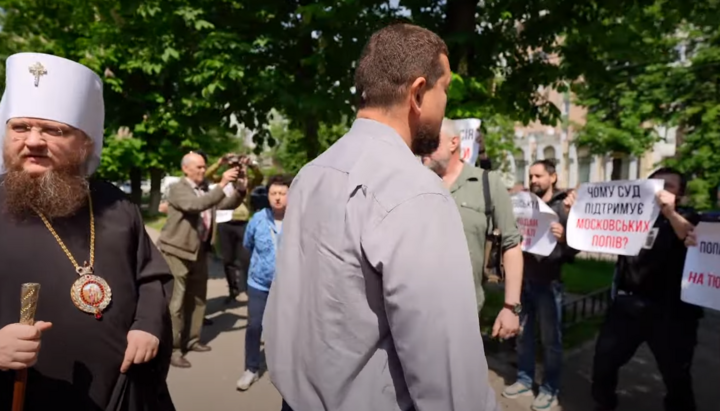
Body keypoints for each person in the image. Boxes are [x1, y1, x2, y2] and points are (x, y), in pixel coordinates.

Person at [264, 23, 498, 411]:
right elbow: (449, 379)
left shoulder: (311, 173)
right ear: (419, 92)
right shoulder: (416, 192)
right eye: (446, 91)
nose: (446, 108)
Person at [0, 52, 174, 409]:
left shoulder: (116, 204)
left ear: (86, 142)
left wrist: (147, 324)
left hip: (125, 392)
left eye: (53, 130)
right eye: (20, 127)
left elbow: (151, 277)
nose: (33, 141)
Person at [591, 167, 701, 411]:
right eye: (654, 184)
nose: (659, 189)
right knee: (604, 362)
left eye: (668, 186)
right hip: (628, 306)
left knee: (676, 375)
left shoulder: (687, 215)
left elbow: (690, 235)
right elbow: (593, 225)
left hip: (671, 312)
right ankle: (604, 402)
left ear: (679, 195)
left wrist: (670, 211)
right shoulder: (631, 215)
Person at [423, 118, 523, 335]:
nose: (423, 149)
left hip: (463, 315)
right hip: (413, 312)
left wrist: (511, 308)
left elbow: (512, 245)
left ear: (453, 143)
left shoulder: (488, 183)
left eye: (431, 142)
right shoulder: (415, 183)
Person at [502, 159, 577, 410]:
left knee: (550, 340)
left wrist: (565, 239)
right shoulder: (523, 203)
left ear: (552, 178)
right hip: (523, 281)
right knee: (523, 336)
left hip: (549, 283)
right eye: (531, 176)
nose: (533, 180)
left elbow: (576, 249)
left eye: (539, 176)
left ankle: (549, 389)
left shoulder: (566, 207)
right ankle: (524, 379)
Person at [157, 152, 245, 368]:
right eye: (199, 167)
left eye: (204, 167)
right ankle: (174, 349)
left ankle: (193, 339)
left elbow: (225, 203)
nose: (203, 171)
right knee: (176, 303)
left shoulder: (205, 189)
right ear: (186, 169)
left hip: (199, 251)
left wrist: (240, 188)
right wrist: (222, 182)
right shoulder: (178, 188)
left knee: (198, 298)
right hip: (177, 250)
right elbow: (195, 206)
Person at [236, 174, 292, 391]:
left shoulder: (298, 219)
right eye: (273, 193)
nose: (277, 198)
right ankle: (251, 368)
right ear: (268, 195)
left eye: (282, 193)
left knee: (286, 328)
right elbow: (247, 244)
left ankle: (286, 369)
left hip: (287, 286)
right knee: (254, 325)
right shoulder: (258, 219)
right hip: (259, 283)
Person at [207, 154, 263, 303]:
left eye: (239, 167)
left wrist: (251, 165)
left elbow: (259, 178)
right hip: (224, 223)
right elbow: (208, 175)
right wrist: (220, 162)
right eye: (233, 167)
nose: (236, 169)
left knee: (245, 259)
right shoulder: (222, 181)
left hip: (242, 223)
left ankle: (247, 289)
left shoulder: (246, 182)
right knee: (228, 259)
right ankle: (233, 291)